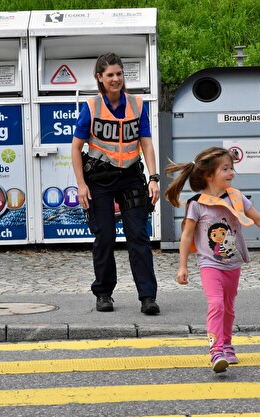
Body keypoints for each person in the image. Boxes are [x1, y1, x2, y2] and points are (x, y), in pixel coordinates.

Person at [164, 146, 260, 373]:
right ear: (208, 175)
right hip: (209, 264)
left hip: (233, 264)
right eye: (225, 169)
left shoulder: (236, 198)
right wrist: (182, 266)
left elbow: (259, 219)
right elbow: (186, 236)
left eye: (232, 168)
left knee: (229, 308)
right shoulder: (197, 204)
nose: (232, 173)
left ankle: (228, 344)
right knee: (217, 304)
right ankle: (216, 351)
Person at [71, 52, 160, 315]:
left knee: (139, 237)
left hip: (131, 176)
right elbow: (76, 148)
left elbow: (146, 143)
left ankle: (147, 297)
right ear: (99, 78)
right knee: (105, 236)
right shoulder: (91, 108)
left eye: (119, 74)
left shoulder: (137, 105)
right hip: (99, 179)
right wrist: (81, 185)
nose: (115, 79)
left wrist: (153, 178)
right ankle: (104, 294)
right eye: (109, 75)